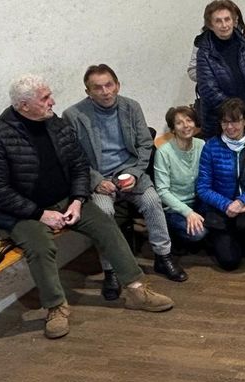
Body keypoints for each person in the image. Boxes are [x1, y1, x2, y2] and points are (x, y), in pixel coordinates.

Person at [0, 75, 173, 339]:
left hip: (65, 200)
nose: (52, 101)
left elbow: (79, 166)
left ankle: (137, 289)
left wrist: (78, 200)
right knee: (40, 247)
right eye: (45, 98)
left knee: (106, 225)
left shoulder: (56, 124)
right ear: (24, 106)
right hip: (23, 212)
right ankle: (56, 307)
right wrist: (40, 214)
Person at [63, 65, 187, 289]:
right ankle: (111, 269)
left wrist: (135, 173)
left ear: (118, 85)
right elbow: (74, 158)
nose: (105, 92)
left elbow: (145, 144)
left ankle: (163, 256)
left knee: (152, 201)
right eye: (97, 88)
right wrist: (96, 181)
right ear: (88, 92)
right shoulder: (73, 116)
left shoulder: (131, 107)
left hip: (130, 172)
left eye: (109, 85)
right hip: (99, 178)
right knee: (104, 213)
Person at [196, 99, 245, 271]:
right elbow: (203, 188)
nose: (229, 127)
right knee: (229, 262)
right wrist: (227, 204)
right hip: (219, 209)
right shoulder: (211, 147)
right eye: (225, 122)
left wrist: (242, 201)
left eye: (235, 121)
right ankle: (223, 238)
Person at [194, 0, 245, 139]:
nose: (224, 25)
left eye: (227, 19)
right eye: (218, 21)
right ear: (210, 25)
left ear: (234, 21)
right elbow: (209, 91)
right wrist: (238, 116)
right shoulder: (204, 52)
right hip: (220, 123)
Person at [153, 105, 207, 253]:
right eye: (179, 123)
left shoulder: (202, 145)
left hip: (199, 202)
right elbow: (162, 191)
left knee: (220, 224)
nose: (185, 126)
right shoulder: (163, 152)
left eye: (189, 120)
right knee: (199, 233)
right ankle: (173, 234)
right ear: (173, 129)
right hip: (174, 208)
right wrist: (188, 212)